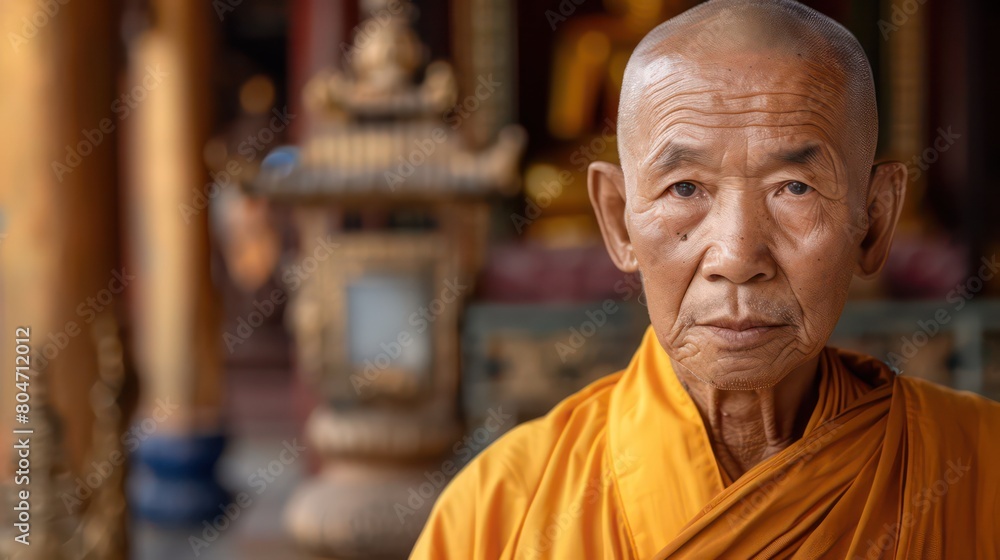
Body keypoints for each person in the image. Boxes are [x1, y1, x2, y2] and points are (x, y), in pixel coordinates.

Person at [410, 0, 1000, 557]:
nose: (738, 255)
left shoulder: (980, 465)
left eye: (793, 188)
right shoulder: (497, 510)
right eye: (685, 188)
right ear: (617, 221)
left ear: (873, 222)